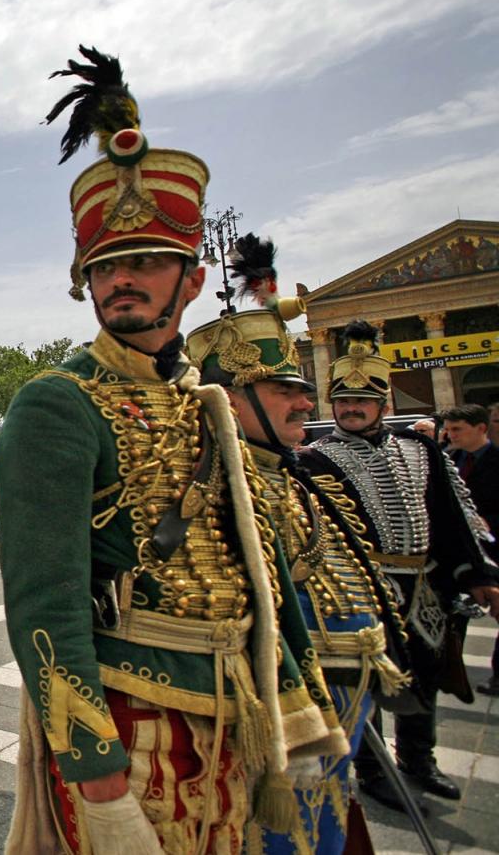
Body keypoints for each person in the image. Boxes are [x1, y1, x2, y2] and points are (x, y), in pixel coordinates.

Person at [0, 47, 345, 854]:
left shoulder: (206, 398)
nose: (124, 278)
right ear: (85, 278)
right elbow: (44, 609)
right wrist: (96, 773)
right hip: (132, 715)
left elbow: (256, 567)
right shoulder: (58, 401)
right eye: (107, 264)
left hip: (238, 710)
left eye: (147, 260)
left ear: (190, 280)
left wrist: (300, 699)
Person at [185, 234, 411, 854]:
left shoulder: (303, 473)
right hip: (277, 720)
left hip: (343, 708)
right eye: (287, 391)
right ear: (230, 401)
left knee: (328, 830)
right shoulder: (202, 490)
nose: (308, 402)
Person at [298, 322, 499, 810]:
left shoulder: (420, 449)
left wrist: (478, 573)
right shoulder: (312, 460)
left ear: (381, 405)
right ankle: (373, 770)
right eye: (342, 402)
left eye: (360, 403)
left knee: (426, 672)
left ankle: (418, 758)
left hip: (424, 585)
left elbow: (451, 514)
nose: (349, 409)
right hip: (359, 587)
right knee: (366, 679)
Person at [442, 403, 499, 695]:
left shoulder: (496, 461)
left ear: (480, 428)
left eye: (457, 429)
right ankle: (450, 668)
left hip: (494, 552)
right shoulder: (447, 460)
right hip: (458, 557)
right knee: (455, 615)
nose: (450, 435)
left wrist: (484, 523)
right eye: (448, 429)